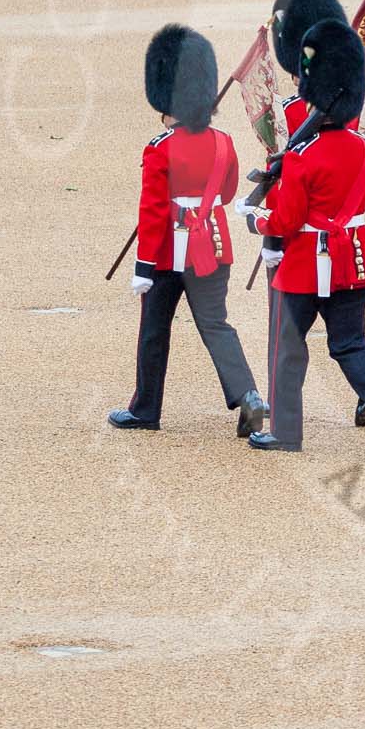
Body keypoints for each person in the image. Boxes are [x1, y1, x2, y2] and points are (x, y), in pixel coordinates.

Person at [241, 20, 365, 457]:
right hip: (352, 257)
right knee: (350, 342)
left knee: (287, 345)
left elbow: (288, 220)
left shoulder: (303, 156)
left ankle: (286, 431)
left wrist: (256, 218)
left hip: (306, 261)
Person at [110, 24, 269, 438]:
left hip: (167, 252)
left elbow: (152, 213)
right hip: (211, 247)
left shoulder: (159, 147)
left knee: (154, 332)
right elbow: (227, 192)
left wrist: (143, 267)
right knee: (216, 325)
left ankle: (146, 410)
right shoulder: (224, 143)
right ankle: (249, 396)